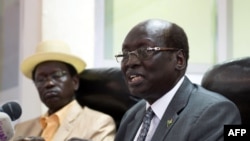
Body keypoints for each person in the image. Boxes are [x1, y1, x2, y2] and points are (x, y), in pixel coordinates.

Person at [114, 19, 241, 141]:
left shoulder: (215, 113)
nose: (130, 62)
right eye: (125, 54)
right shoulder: (132, 115)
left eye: (145, 51)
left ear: (179, 60)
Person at [11, 40, 116, 141]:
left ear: (75, 82)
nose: (49, 83)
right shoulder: (20, 130)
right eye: (41, 79)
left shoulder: (98, 123)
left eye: (57, 75)